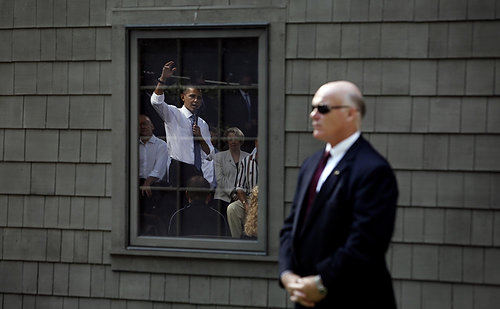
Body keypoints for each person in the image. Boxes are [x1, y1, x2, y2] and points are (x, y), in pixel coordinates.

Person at [278, 81, 398, 308]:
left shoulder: (373, 170)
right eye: (313, 108)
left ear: (351, 113)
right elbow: (291, 226)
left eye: (322, 108)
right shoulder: (311, 164)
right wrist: (287, 275)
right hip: (305, 299)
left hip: (354, 298)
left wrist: (321, 283)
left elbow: (366, 243)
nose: (313, 115)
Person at [150, 61, 215, 186]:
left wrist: (200, 138)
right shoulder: (173, 113)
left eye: (199, 98)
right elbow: (156, 102)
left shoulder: (202, 123)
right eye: (192, 96)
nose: (196, 100)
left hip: (198, 171)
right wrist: (163, 79)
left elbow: (210, 154)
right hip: (179, 168)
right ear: (183, 97)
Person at [138, 114, 172, 235]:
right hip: (137, 185)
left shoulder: (161, 145)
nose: (142, 127)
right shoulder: (132, 145)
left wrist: (147, 182)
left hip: (155, 187)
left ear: (152, 126)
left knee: (157, 221)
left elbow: (159, 169)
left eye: (145, 124)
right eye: (139, 124)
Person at [213, 127, 250, 217]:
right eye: (230, 139)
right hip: (223, 199)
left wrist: (241, 194)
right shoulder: (219, 157)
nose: (233, 141)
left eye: (236, 139)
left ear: (240, 140)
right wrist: (233, 192)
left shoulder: (248, 157)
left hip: (244, 198)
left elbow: (249, 178)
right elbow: (220, 178)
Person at [226, 140, 258, 238]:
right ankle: (238, 242)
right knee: (232, 209)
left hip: (268, 201)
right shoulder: (246, 161)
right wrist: (245, 204)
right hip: (249, 198)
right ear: (256, 143)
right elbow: (240, 188)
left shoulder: (274, 161)